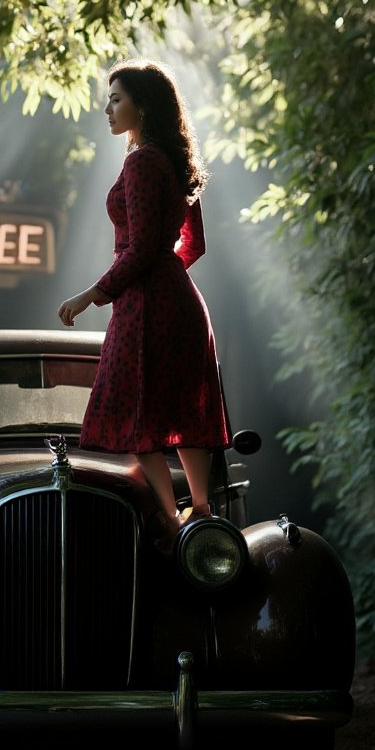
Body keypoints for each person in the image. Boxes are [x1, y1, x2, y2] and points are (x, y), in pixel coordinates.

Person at [57, 59, 231, 550]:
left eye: (116, 99)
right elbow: (190, 246)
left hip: (145, 305)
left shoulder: (139, 161)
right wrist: (164, 278)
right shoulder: (177, 161)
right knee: (184, 407)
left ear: (144, 104)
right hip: (181, 302)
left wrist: (92, 294)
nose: (106, 108)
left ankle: (174, 523)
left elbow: (141, 247)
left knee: (134, 410)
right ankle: (202, 509)